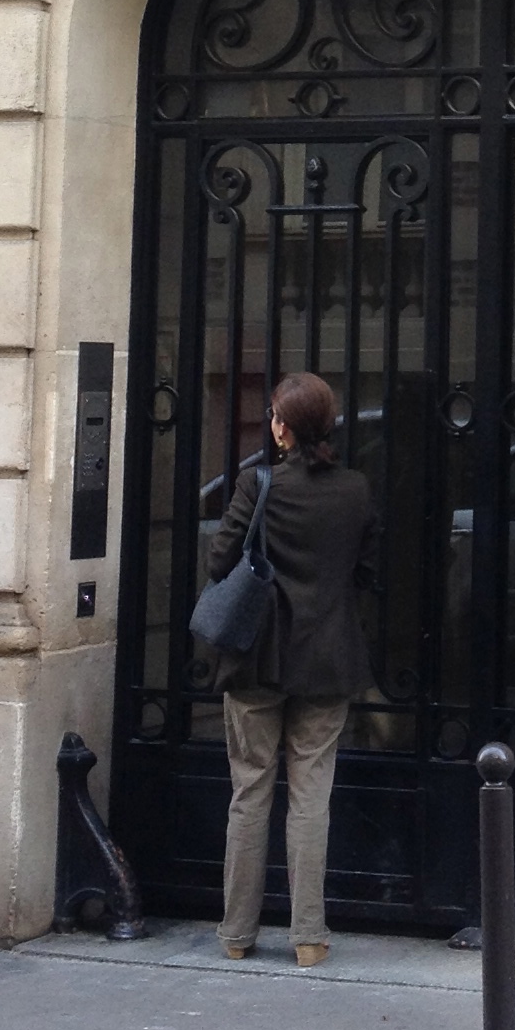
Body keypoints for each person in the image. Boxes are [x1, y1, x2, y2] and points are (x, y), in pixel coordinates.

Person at [199, 370, 376, 966]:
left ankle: (237, 935)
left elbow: (220, 558)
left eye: (275, 414)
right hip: (327, 659)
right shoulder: (354, 489)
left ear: (282, 427)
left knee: (249, 792)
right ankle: (308, 937)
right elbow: (368, 570)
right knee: (311, 796)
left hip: (257, 658)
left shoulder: (257, 484)